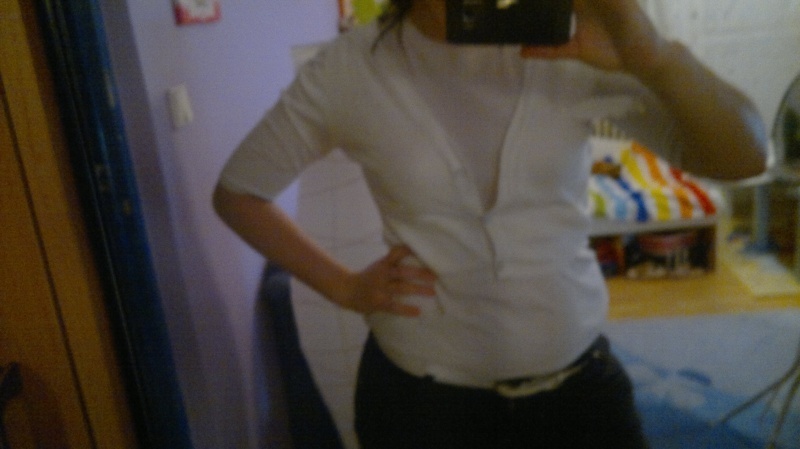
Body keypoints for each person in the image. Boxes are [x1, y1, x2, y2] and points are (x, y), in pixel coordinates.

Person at [214, 0, 768, 447]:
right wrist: (345, 287)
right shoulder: (352, 69)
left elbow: (744, 156)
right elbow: (238, 194)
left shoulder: (572, 46)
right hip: (421, 408)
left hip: (577, 390)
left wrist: (654, 57)